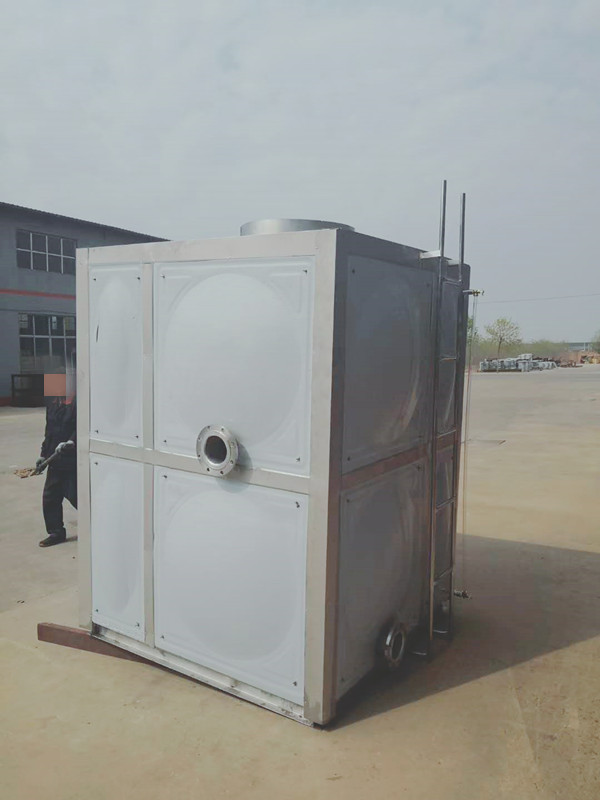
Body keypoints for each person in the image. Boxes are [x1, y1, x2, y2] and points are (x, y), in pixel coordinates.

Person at [37, 392, 77, 548]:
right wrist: (43, 454)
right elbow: (49, 431)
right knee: (50, 497)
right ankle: (56, 532)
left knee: (76, 496)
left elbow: (83, 426)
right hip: (55, 459)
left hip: (72, 460)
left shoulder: (79, 403)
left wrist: (72, 441)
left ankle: (102, 523)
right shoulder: (53, 403)